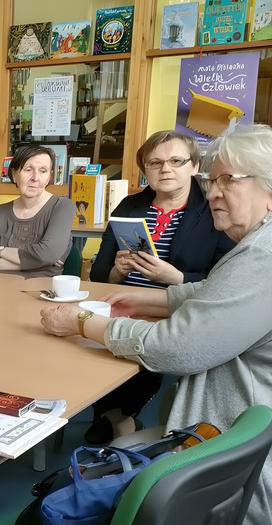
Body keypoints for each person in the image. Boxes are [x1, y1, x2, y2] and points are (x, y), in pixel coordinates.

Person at [40, 125, 272, 525]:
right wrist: (157, 297)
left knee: (109, 465)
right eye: (211, 181)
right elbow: (224, 294)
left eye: (225, 180)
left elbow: (177, 350)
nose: (212, 191)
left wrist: (88, 323)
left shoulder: (266, 256)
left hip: (244, 426)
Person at [85, 131, 235, 443]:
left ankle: (115, 417)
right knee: (89, 346)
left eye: (176, 161)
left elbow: (224, 278)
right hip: (120, 300)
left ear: (194, 166)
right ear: (146, 170)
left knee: (144, 347)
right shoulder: (130, 206)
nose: (165, 169)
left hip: (172, 307)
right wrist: (116, 270)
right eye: (155, 162)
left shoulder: (214, 209)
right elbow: (98, 272)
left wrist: (175, 278)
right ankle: (115, 417)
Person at [0, 145, 74, 277]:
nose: (35, 177)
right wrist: (38, 263)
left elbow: (46, 254)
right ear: (15, 175)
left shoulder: (62, 206)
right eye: (28, 170)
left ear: (50, 176)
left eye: (43, 171)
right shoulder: (0, 212)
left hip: (41, 291)